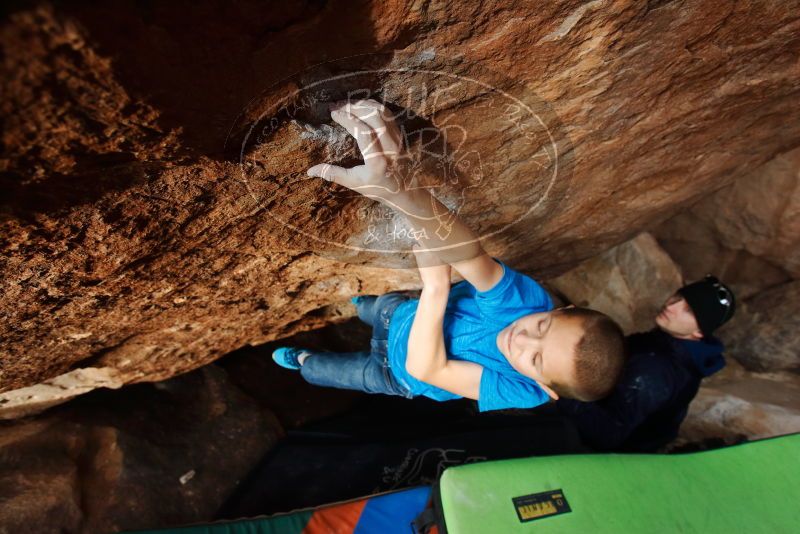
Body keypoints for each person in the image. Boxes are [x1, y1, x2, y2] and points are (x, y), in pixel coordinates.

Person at [271, 98, 626, 412]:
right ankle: (357, 306)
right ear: (559, 310)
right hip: (402, 313)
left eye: (535, 359)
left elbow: (425, 369)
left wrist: (436, 289)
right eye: (543, 326)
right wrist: (400, 188)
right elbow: (470, 255)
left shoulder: (522, 391)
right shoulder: (527, 303)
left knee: (333, 373)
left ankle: (304, 360)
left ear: (546, 389)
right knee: (370, 307)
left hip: (393, 373)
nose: (523, 337)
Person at [557, 275, 736, 451]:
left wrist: (560, 385)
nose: (671, 306)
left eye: (688, 310)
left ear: (699, 332)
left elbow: (607, 435)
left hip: (613, 456)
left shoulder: (655, 369)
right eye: (678, 297)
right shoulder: (671, 346)